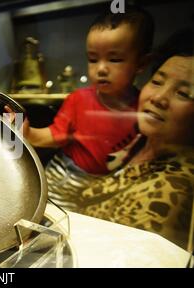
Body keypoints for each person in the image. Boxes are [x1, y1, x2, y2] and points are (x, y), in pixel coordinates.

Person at [12, 6, 155, 210]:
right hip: (67, 176)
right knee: (51, 216)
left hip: (111, 182)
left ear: (142, 63)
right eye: (93, 59)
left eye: (114, 59)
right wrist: (28, 134)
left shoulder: (144, 105)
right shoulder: (78, 100)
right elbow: (55, 135)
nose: (101, 69)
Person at [76, 28, 194, 250]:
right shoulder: (137, 140)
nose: (158, 98)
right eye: (158, 81)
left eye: (183, 94)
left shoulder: (172, 191)